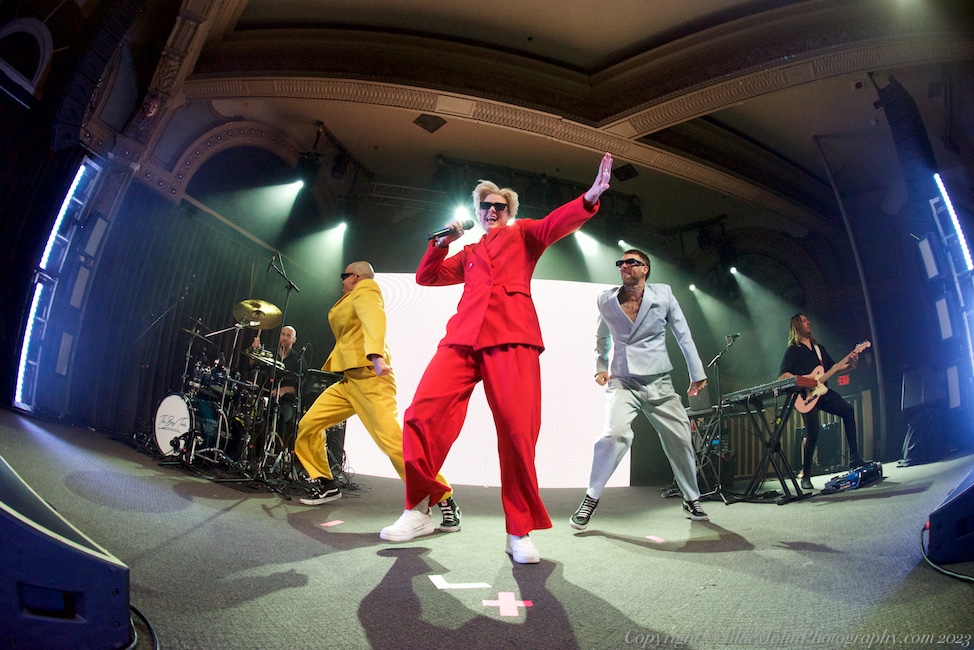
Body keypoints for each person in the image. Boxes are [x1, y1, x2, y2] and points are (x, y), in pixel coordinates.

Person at [379, 152, 614, 564]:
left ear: (509, 211)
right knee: (421, 415)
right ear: (477, 212)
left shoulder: (524, 233)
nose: (491, 210)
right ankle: (417, 509)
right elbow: (427, 277)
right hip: (463, 339)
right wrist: (440, 244)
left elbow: (555, 224)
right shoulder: (469, 253)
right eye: (485, 206)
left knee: (518, 433)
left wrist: (590, 197)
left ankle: (518, 531)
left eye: (498, 206)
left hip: (512, 336)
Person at [293, 261, 460, 534]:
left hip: (372, 378)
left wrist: (376, 356)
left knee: (394, 444)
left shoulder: (366, 289)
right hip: (349, 381)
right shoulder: (349, 297)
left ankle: (444, 498)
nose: (342, 282)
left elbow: (374, 318)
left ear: (355, 276)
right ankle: (326, 483)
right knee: (308, 426)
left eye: (344, 277)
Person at [569, 249, 710, 530]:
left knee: (681, 438)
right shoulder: (606, 299)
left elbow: (683, 335)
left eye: (631, 262)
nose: (624, 265)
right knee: (614, 434)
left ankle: (691, 497)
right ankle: (591, 497)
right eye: (621, 262)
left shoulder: (664, 295)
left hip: (659, 382)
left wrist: (697, 373)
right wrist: (600, 366)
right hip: (623, 381)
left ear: (645, 269)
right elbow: (601, 336)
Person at [777, 313, 865, 491]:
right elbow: (782, 377)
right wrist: (805, 379)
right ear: (797, 326)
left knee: (847, 410)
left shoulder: (819, 349)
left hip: (823, 392)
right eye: (803, 320)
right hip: (806, 396)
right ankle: (806, 474)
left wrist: (853, 364)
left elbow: (835, 368)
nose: (808, 322)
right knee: (813, 430)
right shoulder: (793, 349)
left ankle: (854, 457)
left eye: (807, 320)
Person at [250, 325, 302, 439]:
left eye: (288, 336)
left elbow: (301, 387)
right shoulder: (271, 355)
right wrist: (255, 351)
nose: (284, 338)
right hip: (265, 397)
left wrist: (284, 390)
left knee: (279, 416)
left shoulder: (298, 360)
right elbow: (253, 365)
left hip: (285, 403)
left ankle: (276, 449)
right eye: (283, 334)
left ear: (294, 340)